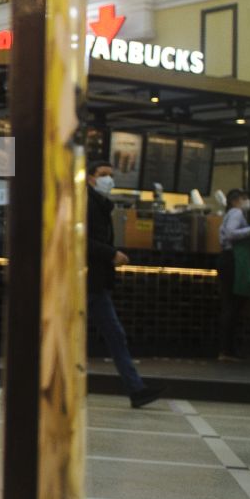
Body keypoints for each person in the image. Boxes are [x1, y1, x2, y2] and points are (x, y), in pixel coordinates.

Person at [87, 165, 164, 408]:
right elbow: (79, 238)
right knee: (112, 334)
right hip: (87, 280)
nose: (108, 179)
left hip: (94, 281)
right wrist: (111, 254)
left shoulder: (99, 204)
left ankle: (136, 389)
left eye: (111, 174)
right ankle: (136, 388)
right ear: (90, 178)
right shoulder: (87, 203)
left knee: (114, 335)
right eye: (103, 174)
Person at [216, 188, 250, 361]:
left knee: (230, 304)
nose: (247, 202)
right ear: (236, 200)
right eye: (245, 198)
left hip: (227, 260)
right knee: (233, 305)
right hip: (233, 261)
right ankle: (228, 350)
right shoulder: (236, 213)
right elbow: (230, 233)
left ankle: (227, 349)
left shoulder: (230, 213)